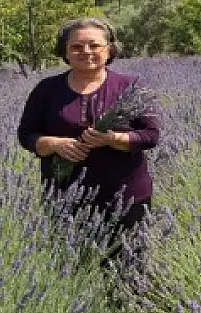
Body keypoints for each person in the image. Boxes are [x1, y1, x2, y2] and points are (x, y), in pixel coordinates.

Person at [17, 17, 160, 273]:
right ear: (65, 51)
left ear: (109, 49)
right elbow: (26, 134)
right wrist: (52, 143)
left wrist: (112, 139)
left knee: (127, 273)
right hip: (65, 197)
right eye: (77, 47)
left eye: (94, 45)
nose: (86, 52)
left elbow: (150, 136)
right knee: (74, 271)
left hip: (126, 199)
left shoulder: (131, 87)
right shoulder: (46, 90)